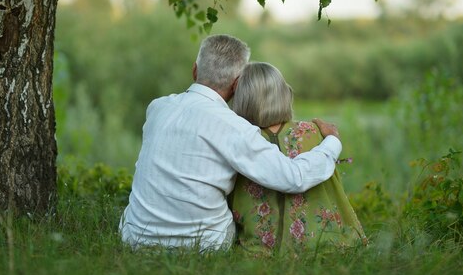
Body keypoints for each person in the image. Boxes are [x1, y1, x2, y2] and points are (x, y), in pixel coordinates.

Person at [119, 34, 344, 251]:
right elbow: (293, 177)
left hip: (134, 237)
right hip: (202, 246)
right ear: (237, 85)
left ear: (194, 70)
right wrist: (332, 141)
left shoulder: (157, 107)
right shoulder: (235, 127)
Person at [229, 62, 366, 255]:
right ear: (284, 94)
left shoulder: (240, 140)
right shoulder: (311, 133)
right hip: (317, 245)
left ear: (242, 100)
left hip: (257, 248)